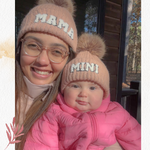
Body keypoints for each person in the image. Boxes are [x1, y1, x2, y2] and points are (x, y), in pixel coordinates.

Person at [23, 33, 141, 150]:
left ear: (104, 93)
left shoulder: (117, 113)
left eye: (92, 88)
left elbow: (137, 139)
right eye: (75, 86)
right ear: (64, 90)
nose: (83, 94)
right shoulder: (53, 113)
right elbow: (41, 144)